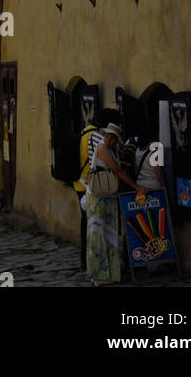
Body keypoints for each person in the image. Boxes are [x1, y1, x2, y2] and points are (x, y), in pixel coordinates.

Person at [84, 121, 138, 286]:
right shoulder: (102, 149)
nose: (108, 139)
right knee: (98, 234)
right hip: (99, 196)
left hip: (109, 196)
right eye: (107, 136)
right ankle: (99, 273)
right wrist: (136, 187)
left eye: (112, 137)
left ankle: (110, 272)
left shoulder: (114, 150)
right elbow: (117, 170)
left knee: (110, 233)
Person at [74, 109, 122, 269]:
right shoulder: (96, 138)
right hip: (93, 186)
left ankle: (86, 261)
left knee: (87, 224)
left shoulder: (85, 132)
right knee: (94, 227)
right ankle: (92, 262)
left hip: (83, 183)